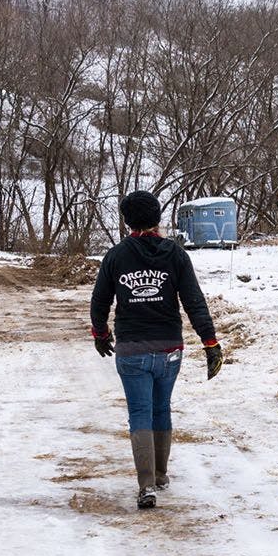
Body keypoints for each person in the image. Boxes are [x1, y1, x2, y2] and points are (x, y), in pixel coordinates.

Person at [90, 190, 224, 510]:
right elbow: (194, 302)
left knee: (140, 412)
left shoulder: (116, 256)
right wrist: (210, 343)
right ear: (158, 217)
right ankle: (161, 475)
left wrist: (101, 333)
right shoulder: (175, 254)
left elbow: (99, 301)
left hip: (132, 350)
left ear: (126, 220)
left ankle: (146, 485)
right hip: (169, 349)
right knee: (161, 408)